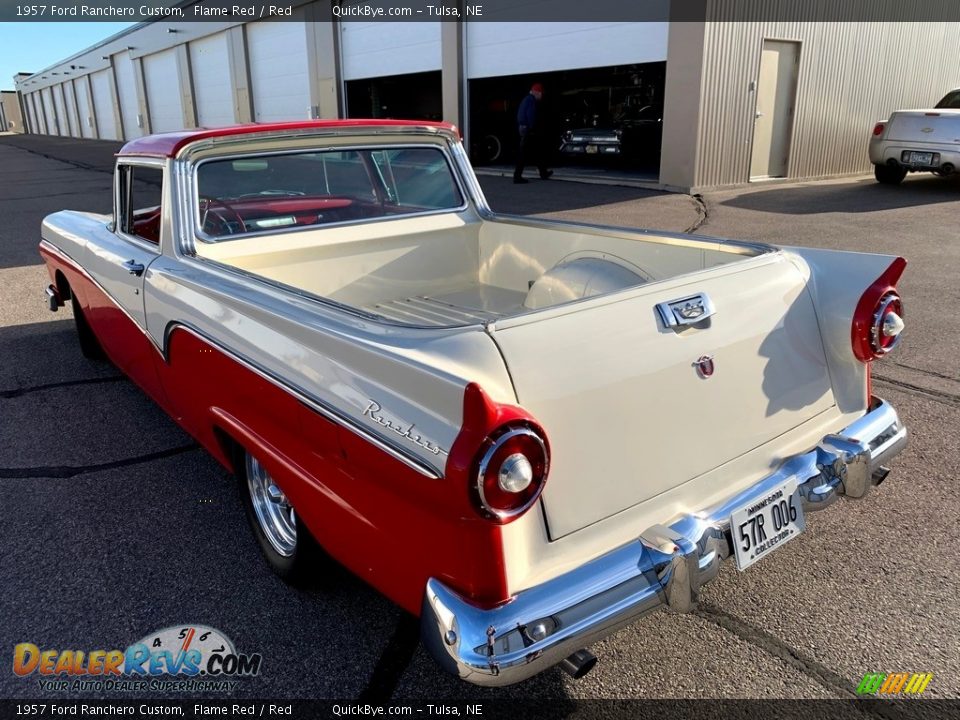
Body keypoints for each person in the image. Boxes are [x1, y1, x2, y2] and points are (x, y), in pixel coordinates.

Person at [513, 83, 553, 184]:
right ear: (537, 92)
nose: (542, 96)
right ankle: (517, 176)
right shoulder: (531, 101)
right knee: (525, 153)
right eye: (541, 93)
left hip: (522, 127)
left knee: (536, 150)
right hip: (528, 129)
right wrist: (532, 128)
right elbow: (531, 115)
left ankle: (543, 173)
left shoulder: (526, 99)